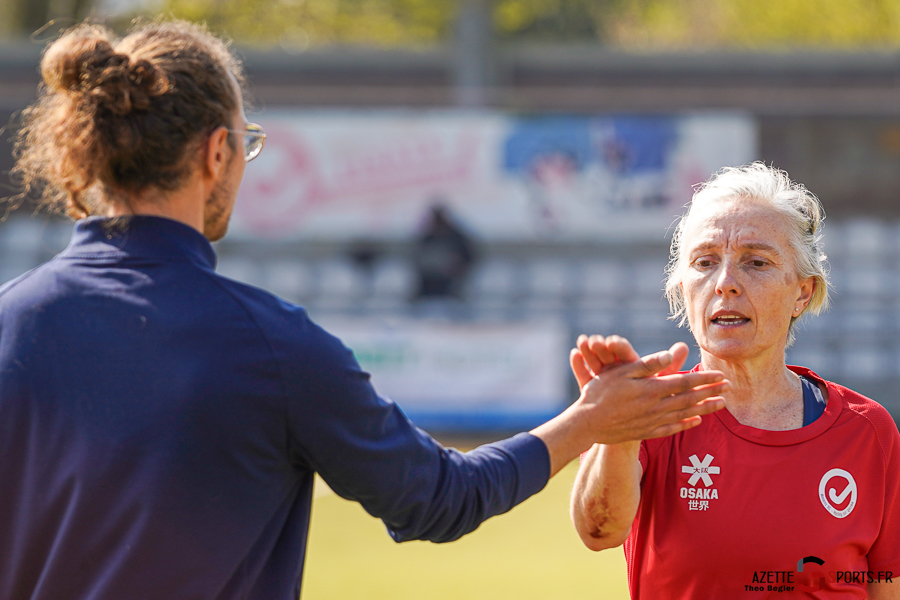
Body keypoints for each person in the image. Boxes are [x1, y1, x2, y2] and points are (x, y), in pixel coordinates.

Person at [0, 19, 729, 600]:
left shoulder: (10, 320)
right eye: (246, 147)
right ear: (215, 152)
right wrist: (589, 422)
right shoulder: (268, 346)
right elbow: (439, 499)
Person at [569, 163, 900, 599]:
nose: (725, 283)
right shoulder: (647, 415)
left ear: (802, 292)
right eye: (705, 262)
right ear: (683, 287)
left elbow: (883, 588)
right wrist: (618, 430)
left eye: (756, 262)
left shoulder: (867, 432)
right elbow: (598, 531)